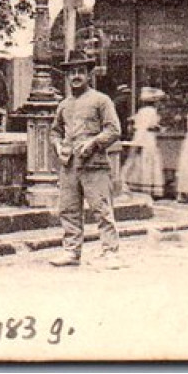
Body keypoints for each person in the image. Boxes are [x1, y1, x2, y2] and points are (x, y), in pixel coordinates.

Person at [49, 52, 124, 268]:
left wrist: (93, 143)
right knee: (69, 209)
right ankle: (71, 252)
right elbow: (55, 132)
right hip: (70, 165)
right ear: (67, 76)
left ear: (88, 74)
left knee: (101, 208)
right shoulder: (64, 105)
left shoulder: (101, 100)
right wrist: (57, 145)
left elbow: (114, 129)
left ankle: (111, 252)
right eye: (72, 72)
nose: (76, 76)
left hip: (94, 164)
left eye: (80, 71)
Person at [122, 86, 166, 199]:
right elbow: (144, 127)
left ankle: (139, 185)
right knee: (146, 159)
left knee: (141, 160)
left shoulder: (142, 111)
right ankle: (146, 187)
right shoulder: (150, 112)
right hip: (146, 138)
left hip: (145, 137)